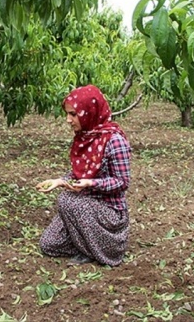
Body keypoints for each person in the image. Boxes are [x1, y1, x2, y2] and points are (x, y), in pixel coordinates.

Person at [36, 85, 131, 267]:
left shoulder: (114, 141)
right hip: (85, 209)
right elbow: (79, 173)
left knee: (67, 200)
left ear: (89, 112)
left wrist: (91, 183)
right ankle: (87, 243)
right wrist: (59, 181)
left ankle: (101, 248)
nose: (68, 120)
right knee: (48, 244)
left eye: (73, 114)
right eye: (68, 114)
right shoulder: (85, 137)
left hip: (109, 212)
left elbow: (122, 182)